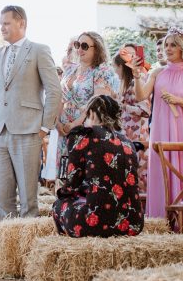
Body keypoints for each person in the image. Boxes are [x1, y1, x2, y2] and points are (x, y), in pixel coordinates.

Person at [0, 5, 62, 219]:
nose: (2, 28)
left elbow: (54, 90)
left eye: (6, 23)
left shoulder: (39, 50)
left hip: (29, 131)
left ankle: (28, 237)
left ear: (21, 23)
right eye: (1, 24)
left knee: (28, 199)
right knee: (2, 198)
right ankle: (6, 238)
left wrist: (45, 127)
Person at [135, 28, 183, 220]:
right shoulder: (157, 73)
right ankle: (161, 220)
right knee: (162, 171)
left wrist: (181, 102)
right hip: (161, 131)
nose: (167, 48)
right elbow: (141, 95)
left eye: (173, 44)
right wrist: (136, 75)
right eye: (166, 45)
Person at [53, 95, 144, 238]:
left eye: (85, 116)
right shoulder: (128, 142)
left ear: (92, 113)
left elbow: (71, 186)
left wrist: (60, 193)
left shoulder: (83, 136)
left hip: (94, 224)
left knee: (59, 205)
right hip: (133, 224)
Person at [56, 31, 118, 171]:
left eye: (84, 46)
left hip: (86, 129)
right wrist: (58, 123)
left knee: (82, 172)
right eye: (77, 45)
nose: (79, 49)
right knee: (64, 172)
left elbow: (97, 102)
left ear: (97, 49)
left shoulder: (102, 71)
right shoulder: (70, 69)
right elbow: (60, 97)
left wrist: (75, 124)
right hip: (63, 129)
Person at [113, 44, 151, 195]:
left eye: (116, 67)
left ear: (122, 67)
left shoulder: (138, 81)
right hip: (126, 136)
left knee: (139, 176)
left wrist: (123, 106)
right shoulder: (124, 84)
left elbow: (145, 110)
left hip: (139, 138)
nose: (115, 71)